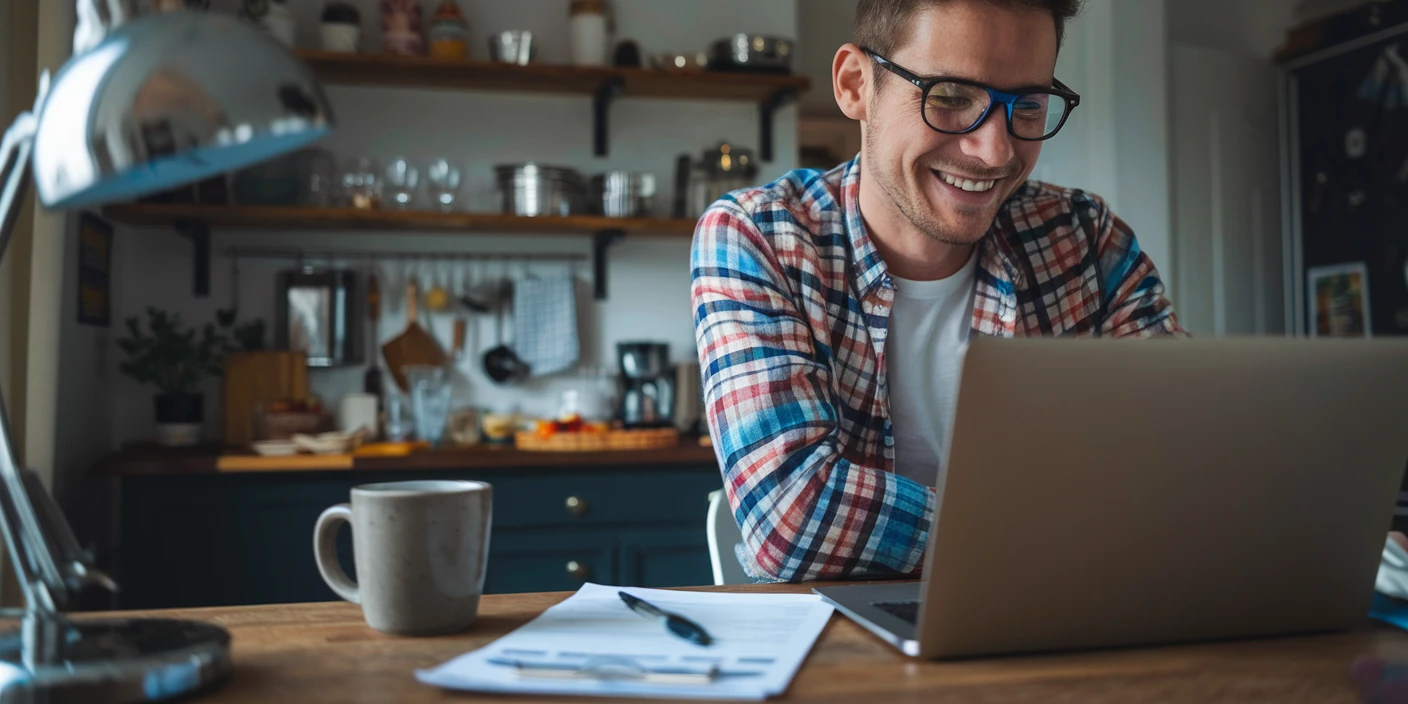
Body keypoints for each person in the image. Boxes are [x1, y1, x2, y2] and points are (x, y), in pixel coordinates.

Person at [690, 0, 1184, 583]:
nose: (995, 152)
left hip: (1059, 621)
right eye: (950, 97)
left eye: (1026, 105)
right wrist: (1055, 535)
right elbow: (790, 518)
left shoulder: (1086, 240)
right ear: (856, 86)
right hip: (839, 645)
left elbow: (1177, 468)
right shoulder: (759, 236)